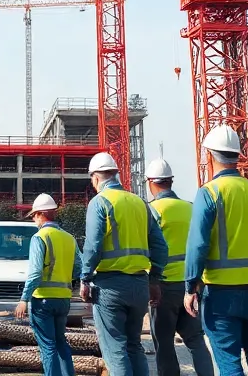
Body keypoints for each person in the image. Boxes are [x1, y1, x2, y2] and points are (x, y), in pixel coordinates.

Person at [183, 126, 248, 376]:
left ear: (209, 156)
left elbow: (198, 245)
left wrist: (191, 287)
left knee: (229, 361)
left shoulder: (209, 193)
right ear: (238, 156)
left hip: (222, 293)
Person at [79, 152, 168, 376]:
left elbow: (93, 245)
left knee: (115, 349)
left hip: (110, 287)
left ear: (96, 177)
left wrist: (85, 278)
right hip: (139, 285)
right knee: (134, 346)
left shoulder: (99, 203)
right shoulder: (140, 203)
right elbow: (160, 247)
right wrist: (154, 280)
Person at [144, 158, 214, 376]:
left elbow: (148, 249)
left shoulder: (152, 211)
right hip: (191, 286)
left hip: (162, 287)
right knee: (196, 340)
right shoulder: (191, 208)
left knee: (164, 345)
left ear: (150, 183)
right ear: (171, 181)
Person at [15, 193, 78, 376]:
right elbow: (79, 267)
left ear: (41, 214)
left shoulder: (40, 237)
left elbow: (35, 273)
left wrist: (23, 299)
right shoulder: (69, 238)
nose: (34, 219)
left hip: (43, 301)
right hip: (64, 300)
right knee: (61, 342)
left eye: (34, 215)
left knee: (48, 347)